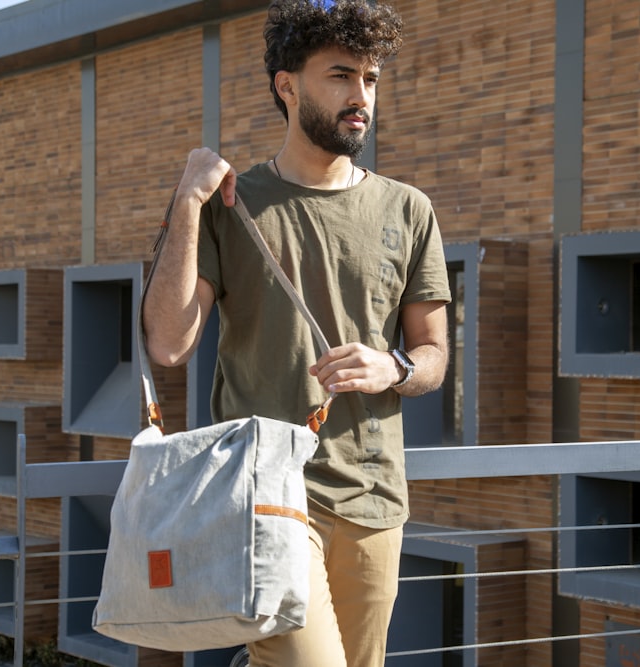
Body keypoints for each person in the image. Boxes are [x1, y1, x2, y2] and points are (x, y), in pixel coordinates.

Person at [142, 0, 451, 664]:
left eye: (369, 79)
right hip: (264, 496)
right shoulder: (232, 204)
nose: (360, 96)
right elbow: (168, 343)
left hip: (374, 499)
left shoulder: (409, 209)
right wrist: (186, 204)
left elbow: (434, 355)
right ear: (287, 86)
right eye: (340, 75)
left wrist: (391, 367)